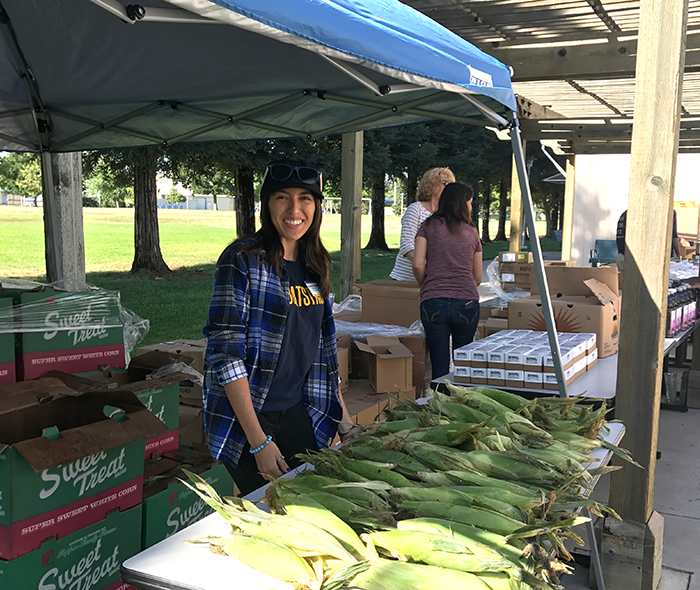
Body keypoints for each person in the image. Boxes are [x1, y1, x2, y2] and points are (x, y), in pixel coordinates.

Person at [202, 161, 353, 496]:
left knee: (312, 502)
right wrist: (258, 443)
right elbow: (225, 354)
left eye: (306, 199)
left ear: (318, 206)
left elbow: (322, 353)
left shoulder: (315, 267)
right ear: (266, 204)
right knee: (274, 509)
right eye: (282, 197)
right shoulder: (242, 260)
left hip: (300, 410)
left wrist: (345, 420)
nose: (295, 209)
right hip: (250, 420)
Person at [412, 182, 482, 380]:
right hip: (466, 302)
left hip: (433, 301)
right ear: (462, 204)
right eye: (469, 202)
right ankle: (461, 403)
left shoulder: (427, 226)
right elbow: (478, 277)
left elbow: (417, 264)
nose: (470, 207)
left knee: (439, 361)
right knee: (463, 363)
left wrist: (427, 286)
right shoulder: (472, 232)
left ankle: (439, 402)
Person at [389, 167, 455, 281]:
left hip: (435, 280)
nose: (450, 189)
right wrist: (426, 266)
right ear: (432, 185)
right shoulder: (416, 209)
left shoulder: (449, 214)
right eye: (446, 183)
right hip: (406, 279)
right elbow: (406, 246)